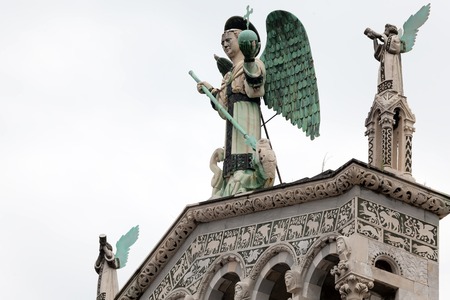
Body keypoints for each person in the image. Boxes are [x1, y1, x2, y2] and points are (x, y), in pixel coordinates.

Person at [197, 16, 270, 197]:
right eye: (222, 43)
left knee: (244, 166)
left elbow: (255, 89)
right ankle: (230, 178)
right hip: (232, 131)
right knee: (232, 172)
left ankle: (246, 174)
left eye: (228, 40)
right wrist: (210, 90)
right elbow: (223, 109)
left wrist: (250, 59)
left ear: (241, 39)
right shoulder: (228, 75)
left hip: (248, 118)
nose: (225, 45)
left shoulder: (254, 64)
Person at [364, 24, 405, 95]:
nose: (384, 32)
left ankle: (392, 91)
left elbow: (393, 48)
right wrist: (374, 39)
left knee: (391, 74)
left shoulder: (395, 38)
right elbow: (378, 54)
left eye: (385, 30)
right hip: (384, 64)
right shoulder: (386, 42)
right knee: (384, 75)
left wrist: (382, 36)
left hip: (392, 62)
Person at [94, 234, 120, 300]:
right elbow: (97, 266)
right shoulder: (102, 258)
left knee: (106, 291)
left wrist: (104, 246)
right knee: (102, 292)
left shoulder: (111, 254)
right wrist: (100, 254)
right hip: (103, 277)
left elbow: (109, 256)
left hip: (108, 277)